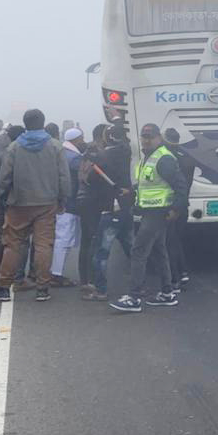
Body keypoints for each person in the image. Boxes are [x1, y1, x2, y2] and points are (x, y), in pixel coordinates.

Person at [0, 109, 70, 304]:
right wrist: (62, 199)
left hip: (19, 203)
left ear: (25, 124)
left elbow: (4, 177)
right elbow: (64, 177)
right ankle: (42, 288)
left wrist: (4, 198)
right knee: (44, 245)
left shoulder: (15, 147)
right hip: (46, 203)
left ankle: (3, 287)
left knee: (13, 245)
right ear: (43, 123)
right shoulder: (55, 146)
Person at [111, 123, 187, 313]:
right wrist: (132, 191)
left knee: (138, 251)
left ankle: (134, 298)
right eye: (144, 136)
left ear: (158, 138)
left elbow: (181, 186)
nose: (146, 139)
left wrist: (176, 209)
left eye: (150, 136)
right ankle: (167, 293)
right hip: (151, 211)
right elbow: (149, 185)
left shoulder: (163, 159)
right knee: (159, 251)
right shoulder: (150, 158)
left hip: (157, 213)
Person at [82, 123, 134, 302]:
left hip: (110, 209)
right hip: (126, 207)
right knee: (133, 249)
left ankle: (101, 289)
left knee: (101, 252)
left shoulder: (103, 157)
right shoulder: (127, 152)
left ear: (108, 138)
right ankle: (139, 286)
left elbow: (89, 180)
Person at [0, 125, 26, 282]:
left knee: (1, 237)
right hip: (20, 202)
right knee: (22, 239)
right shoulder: (25, 155)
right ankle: (18, 275)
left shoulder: (1, 156)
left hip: (3, 202)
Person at [50, 128, 85, 288]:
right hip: (69, 205)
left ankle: (54, 273)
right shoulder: (74, 158)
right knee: (63, 240)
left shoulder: (60, 152)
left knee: (60, 239)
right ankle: (56, 275)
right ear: (77, 140)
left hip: (61, 203)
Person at [75, 124, 109, 287]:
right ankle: (90, 279)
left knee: (87, 240)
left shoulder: (88, 150)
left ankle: (85, 278)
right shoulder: (97, 152)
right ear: (102, 135)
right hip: (91, 200)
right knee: (93, 240)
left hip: (85, 199)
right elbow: (91, 177)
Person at [163, 128, 196, 290]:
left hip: (171, 205)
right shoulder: (188, 158)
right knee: (176, 240)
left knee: (169, 242)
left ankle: (174, 278)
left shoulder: (167, 159)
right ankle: (183, 272)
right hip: (184, 205)